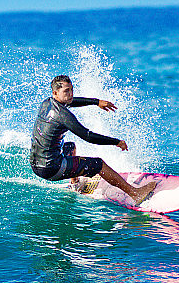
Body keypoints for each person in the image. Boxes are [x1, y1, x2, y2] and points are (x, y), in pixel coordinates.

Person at [30, 75, 156, 205]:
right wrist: (116, 142)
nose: (71, 94)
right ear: (55, 93)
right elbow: (87, 136)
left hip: (36, 164)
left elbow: (72, 101)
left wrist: (96, 102)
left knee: (70, 147)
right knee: (98, 164)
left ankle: (75, 184)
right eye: (66, 91)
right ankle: (135, 193)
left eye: (72, 89)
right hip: (52, 168)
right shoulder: (62, 115)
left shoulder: (47, 103)